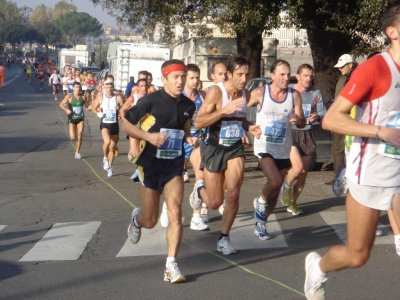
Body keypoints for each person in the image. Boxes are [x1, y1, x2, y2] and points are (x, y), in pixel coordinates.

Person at [304, 2, 400, 299]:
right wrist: (380, 131)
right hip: (369, 171)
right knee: (358, 255)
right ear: (392, 32)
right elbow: (332, 118)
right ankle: (318, 267)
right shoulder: (376, 68)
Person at [124, 59, 196, 283]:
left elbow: (184, 127)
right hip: (150, 166)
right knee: (151, 220)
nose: (180, 81)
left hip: (174, 166)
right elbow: (125, 123)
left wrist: (190, 137)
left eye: (183, 77)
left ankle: (171, 265)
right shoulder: (150, 101)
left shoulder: (188, 105)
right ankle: (137, 219)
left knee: (175, 212)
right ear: (164, 79)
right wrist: (148, 136)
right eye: (176, 77)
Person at [190, 56, 261, 254]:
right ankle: (199, 189)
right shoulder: (215, 92)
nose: (244, 78)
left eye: (247, 74)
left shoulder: (245, 93)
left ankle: (224, 238)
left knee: (234, 193)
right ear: (229, 74)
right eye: (240, 74)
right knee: (214, 202)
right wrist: (223, 110)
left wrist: (249, 126)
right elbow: (199, 122)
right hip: (213, 148)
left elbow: (240, 119)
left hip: (234, 148)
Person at [249, 59, 306, 240]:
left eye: (288, 74)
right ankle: (260, 201)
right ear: (272, 75)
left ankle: (261, 224)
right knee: (273, 182)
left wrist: (298, 119)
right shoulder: (260, 93)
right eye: (282, 74)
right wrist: (248, 127)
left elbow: (302, 120)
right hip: (263, 146)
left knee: (275, 192)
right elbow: (238, 110)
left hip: (283, 147)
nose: (286, 78)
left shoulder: (294, 95)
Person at [159, 64, 209, 231]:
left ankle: (196, 216)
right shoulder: (177, 97)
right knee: (176, 180)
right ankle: (167, 206)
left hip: (197, 142)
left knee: (200, 177)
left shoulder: (203, 96)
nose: (195, 81)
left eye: (197, 78)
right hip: (178, 142)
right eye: (191, 78)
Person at [279, 64, 326, 215]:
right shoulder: (289, 90)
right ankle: (286, 186)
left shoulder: (315, 92)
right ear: (298, 77)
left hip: (307, 133)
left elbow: (323, 113)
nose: (309, 79)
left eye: (311, 76)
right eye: (305, 76)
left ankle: (293, 201)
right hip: (291, 133)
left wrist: (316, 116)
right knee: (297, 168)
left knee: (304, 172)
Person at [200, 61, 228, 220]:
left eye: (225, 74)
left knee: (225, 176)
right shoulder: (207, 92)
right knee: (209, 176)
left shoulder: (231, 92)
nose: (223, 77)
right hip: (208, 139)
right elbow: (200, 118)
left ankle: (219, 200)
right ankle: (204, 205)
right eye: (220, 74)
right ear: (212, 76)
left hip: (226, 141)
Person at [325, 54, 358, 185]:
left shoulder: (356, 78)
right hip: (343, 118)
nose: (339, 69)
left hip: (349, 118)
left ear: (350, 64)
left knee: (345, 148)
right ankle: (341, 176)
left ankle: (345, 177)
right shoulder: (344, 78)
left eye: (342, 66)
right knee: (339, 148)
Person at [91, 77, 124, 177]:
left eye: (111, 87)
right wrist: (98, 113)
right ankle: (105, 158)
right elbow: (93, 107)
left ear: (113, 87)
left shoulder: (117, 98)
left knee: (112, 148)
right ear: (104, 87)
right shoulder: (101, 98)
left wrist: (120, 115)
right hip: (105, 123)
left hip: (114, 124)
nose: (109, 89)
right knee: (107, 142)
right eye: (107, 87)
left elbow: (123, 108)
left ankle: (109, 167)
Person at [59, 81, 89, 159]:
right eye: (76, 87)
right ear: (73, 88)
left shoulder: (83, 97)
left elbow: (87, 106)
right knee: (73, 137)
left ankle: (77, 152)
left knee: (80, 135)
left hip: (80, 118)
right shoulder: (69, 97)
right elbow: (61, 104)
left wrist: (94, 108)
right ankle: (76, 146)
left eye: (79, 87)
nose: (78, 89)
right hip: (72, 119)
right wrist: (66, 110)